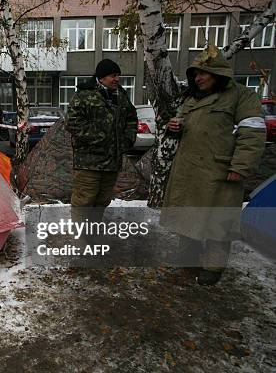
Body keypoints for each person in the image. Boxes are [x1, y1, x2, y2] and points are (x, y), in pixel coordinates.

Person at [161, 45, 266, 285]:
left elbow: (253, 133)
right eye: (194, 74)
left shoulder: (241, 95)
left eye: (202, 73)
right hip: (189, 169)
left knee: (218, 222)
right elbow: (184, 127)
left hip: (220, 171)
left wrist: (240, 167)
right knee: (188, 215)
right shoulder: (192, 98)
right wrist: (173, 129)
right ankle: (189, 256)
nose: (197, 78)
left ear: (218, 73)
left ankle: (213, 265)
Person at [64, 59, 138, 226]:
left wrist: (127, 139)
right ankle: (80, 240)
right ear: (102, 77)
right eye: (113, 75)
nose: (117, 79)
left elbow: (131, 118)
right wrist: (100, 137)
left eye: (118, 75)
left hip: (112, 162)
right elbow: (72, 122)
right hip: (89, 162)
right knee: (84, 201)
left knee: (102, 200)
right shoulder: (84, 95)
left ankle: (93, 233)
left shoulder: (121, 95)